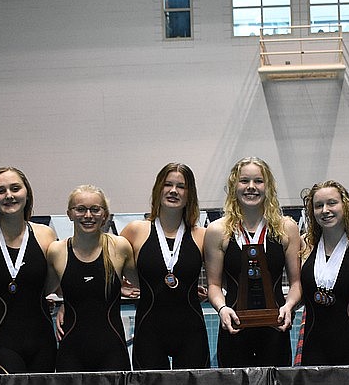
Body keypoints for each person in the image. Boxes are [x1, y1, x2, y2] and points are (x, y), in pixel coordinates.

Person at [205, 157, 302, 368]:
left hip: (275, 328)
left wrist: (289, 306)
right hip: (234, 326)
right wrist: (222, 309)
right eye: (244, 181)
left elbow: (296, 283)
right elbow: (213, 285)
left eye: (258, 181)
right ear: (233, 187)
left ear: (268, 187)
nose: (251, 187)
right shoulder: (217, 230)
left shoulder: (286, 228)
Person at [120, 163, 210, 370]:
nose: (173, 191)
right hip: (149, 331)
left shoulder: (201, 235)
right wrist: (120, 287)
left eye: (181, 186)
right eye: (168, 184)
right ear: (158, 188)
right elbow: (105, 264)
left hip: (191, 332)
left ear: (190, 194)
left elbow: (220, 278)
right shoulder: (136, 231)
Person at [0, 167, 58, 374]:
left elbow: (57, 282)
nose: (8, 195)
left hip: (42, 339)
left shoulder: (45, 234)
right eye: (0, 190)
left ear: (26, 193)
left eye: (15, 188)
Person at [48, 185, 137, 372]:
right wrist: (64, 303)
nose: (88, 215)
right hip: (71, 351)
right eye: (80, 209)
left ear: (105, 214)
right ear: (69, 214)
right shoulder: (57, 251)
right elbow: (42, 291)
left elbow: (148, 283)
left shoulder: (119, 247)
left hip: (112, 350)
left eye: (95, 209)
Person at [298, 180, 349, 366]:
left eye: (332, 203)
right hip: (314, 345)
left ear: (346, 205)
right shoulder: (303, 246)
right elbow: (297, 295)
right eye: (318, 206)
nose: (325, 210)